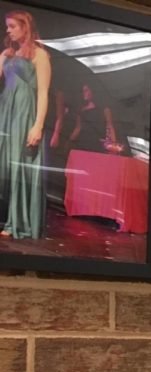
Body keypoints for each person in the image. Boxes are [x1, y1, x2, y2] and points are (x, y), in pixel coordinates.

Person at [0, 10, 50, 239]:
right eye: (7, 26)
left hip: (25, 113)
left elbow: (43, 93)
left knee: (18, 164)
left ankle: (17, 221)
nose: (8, 30)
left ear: (25, 27)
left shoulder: (39, 55)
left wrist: (38, 125)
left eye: (12, 26)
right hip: (6, 112)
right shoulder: (8, 54)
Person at [70, 83, 120, 153]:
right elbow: (78, 128)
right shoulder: (81, 110)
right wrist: (69, 141)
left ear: (93, 90)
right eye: (83, 91)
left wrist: (114, 144)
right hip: (83, 144)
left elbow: (110, 126)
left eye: (86, 90)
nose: (84, 93)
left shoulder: (104, 109)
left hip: (98, 144)